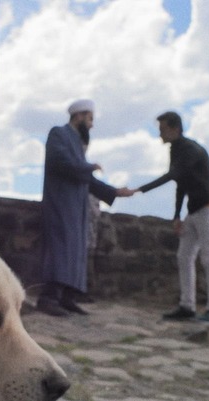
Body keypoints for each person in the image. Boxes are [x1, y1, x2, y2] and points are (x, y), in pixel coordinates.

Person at [37, 99, 134, 317]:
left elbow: (85, 179)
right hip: (60, 204)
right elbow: (60, 162)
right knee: (60, 250)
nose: (91, 125)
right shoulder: (59, 134)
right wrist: (88, 166)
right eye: (89, 119)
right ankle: (49, 297)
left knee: (74, 251)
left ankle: (67, 297)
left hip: (76, 208)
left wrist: (115, 191)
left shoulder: (77, 144)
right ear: (78, 116)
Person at [133, 111, 209, 324]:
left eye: (163, 130)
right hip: (194, 211)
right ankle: (187, 306)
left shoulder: (190, 149)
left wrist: (139, 189)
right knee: (184, 256)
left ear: (175, 129)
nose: (160, 135)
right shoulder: (177, 149)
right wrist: (176, 215)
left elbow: (173, 175)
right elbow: (180, 183)